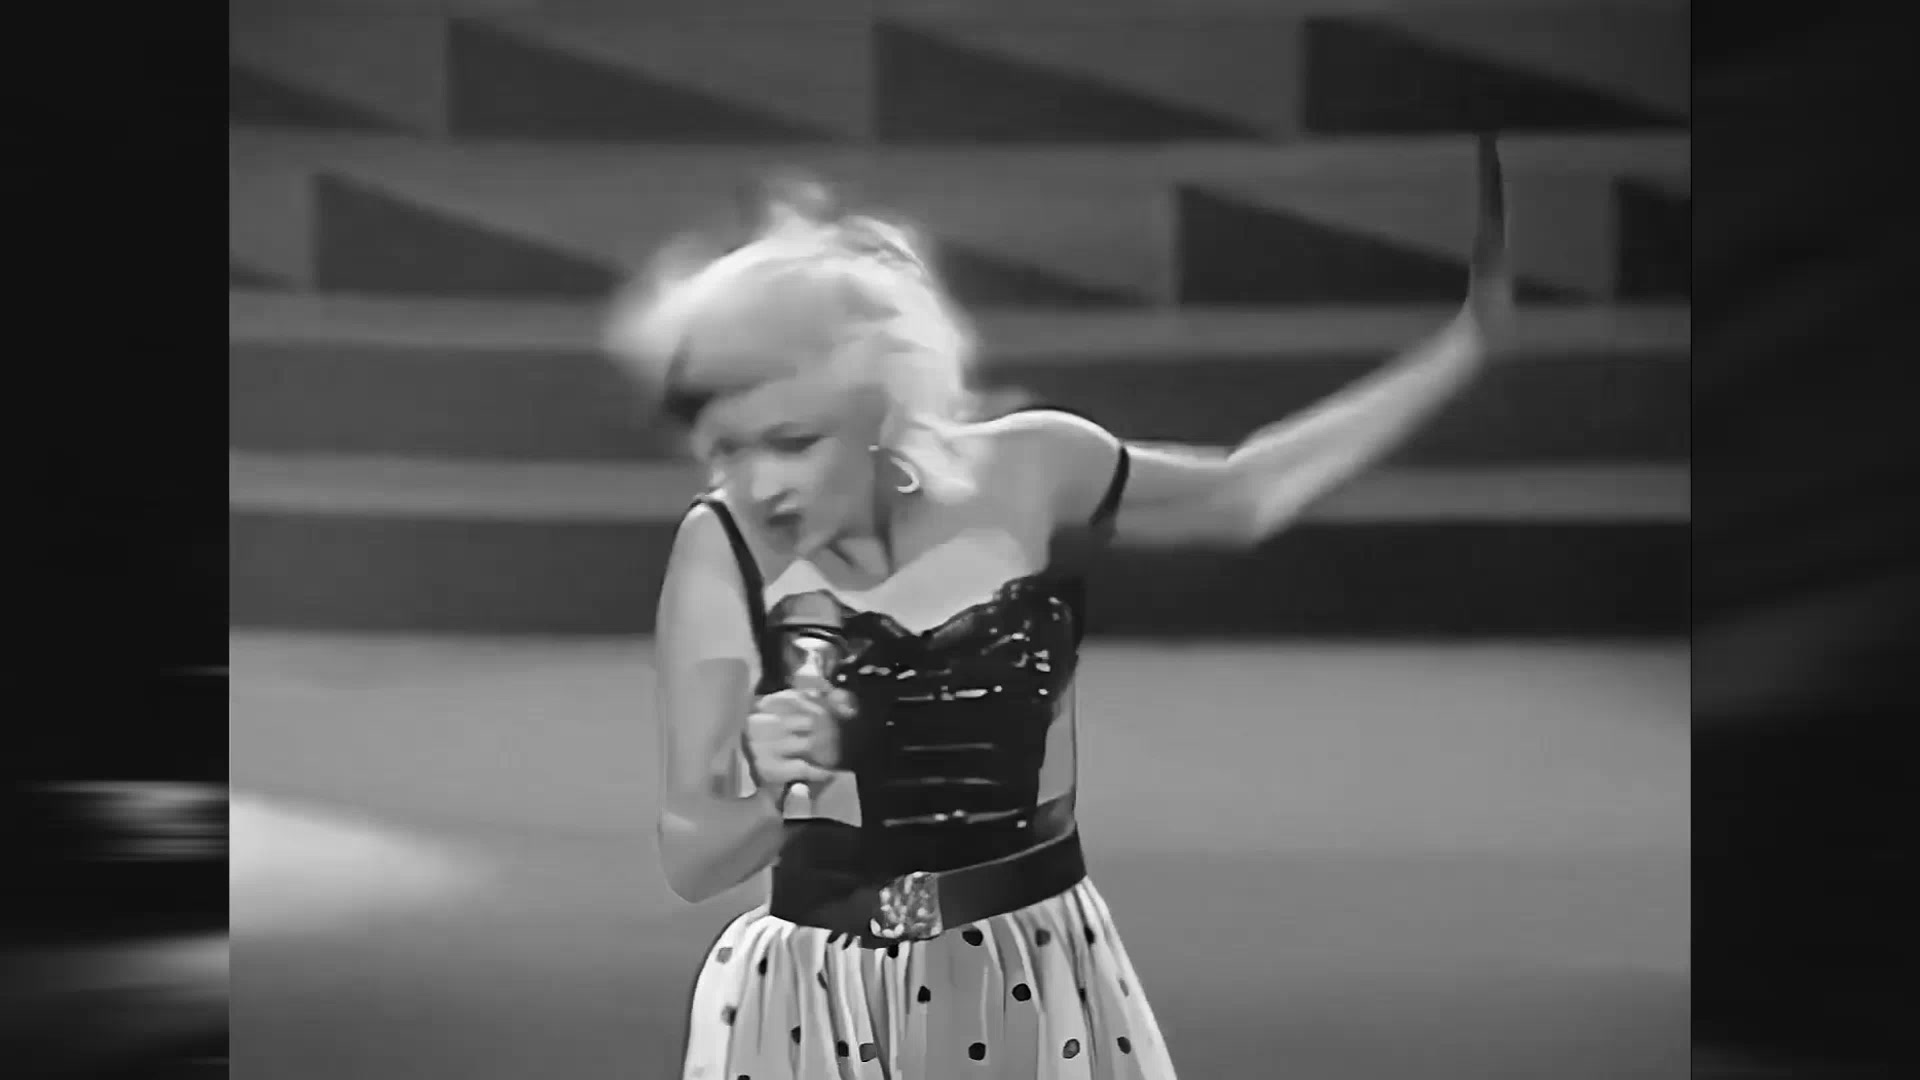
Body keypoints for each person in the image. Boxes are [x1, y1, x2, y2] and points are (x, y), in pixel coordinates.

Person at [609, 136, 1512, 1079]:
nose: (759, 485)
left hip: (1031, 978)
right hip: (820, 1008)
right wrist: (779, 794)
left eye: (792, 442)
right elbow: (693, 860)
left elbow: (1244, 492)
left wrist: (1462, 351)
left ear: (880, 407)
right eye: (726, 451)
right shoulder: (719, 550)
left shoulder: (1036, 467)